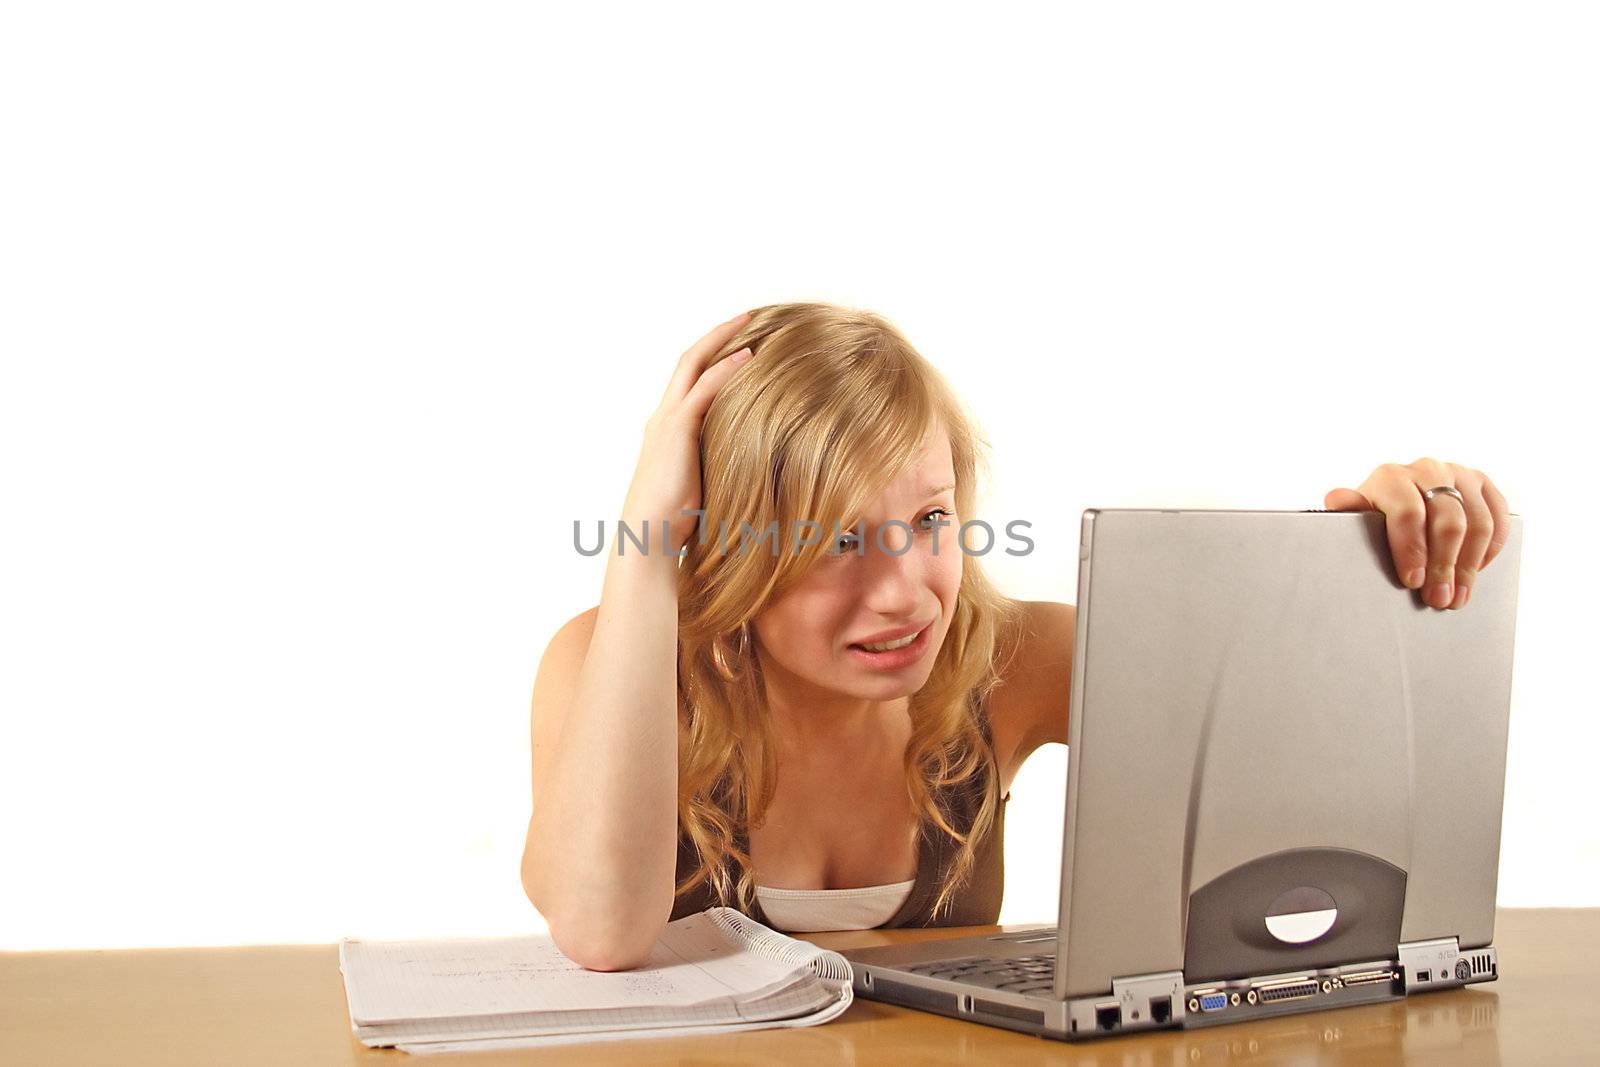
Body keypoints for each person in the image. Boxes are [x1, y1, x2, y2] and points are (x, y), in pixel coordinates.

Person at [520, 302, 1514, 972]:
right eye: (835, 542)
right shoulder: (612, 663)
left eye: (931, 519)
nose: (905, 592)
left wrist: (1382, 549)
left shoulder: (1005, 660)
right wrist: (649, 546)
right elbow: (602, 932)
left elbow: (1309, 732)